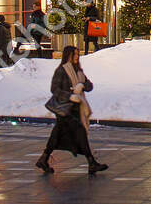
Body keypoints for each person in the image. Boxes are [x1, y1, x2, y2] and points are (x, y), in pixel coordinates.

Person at [34, 45, 108, 175]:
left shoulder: (79, 71)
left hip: (76, 109)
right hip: (65, 109)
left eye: (78, 54)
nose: (77, 57)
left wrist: (82, 85)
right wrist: (70, 95)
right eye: (74, 54)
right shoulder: (61, 71)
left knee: (58, 135)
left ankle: (44, 158)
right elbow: (54, 89)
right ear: (68, 56)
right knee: (79, 133)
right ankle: (91, 163)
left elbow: (89, 85)